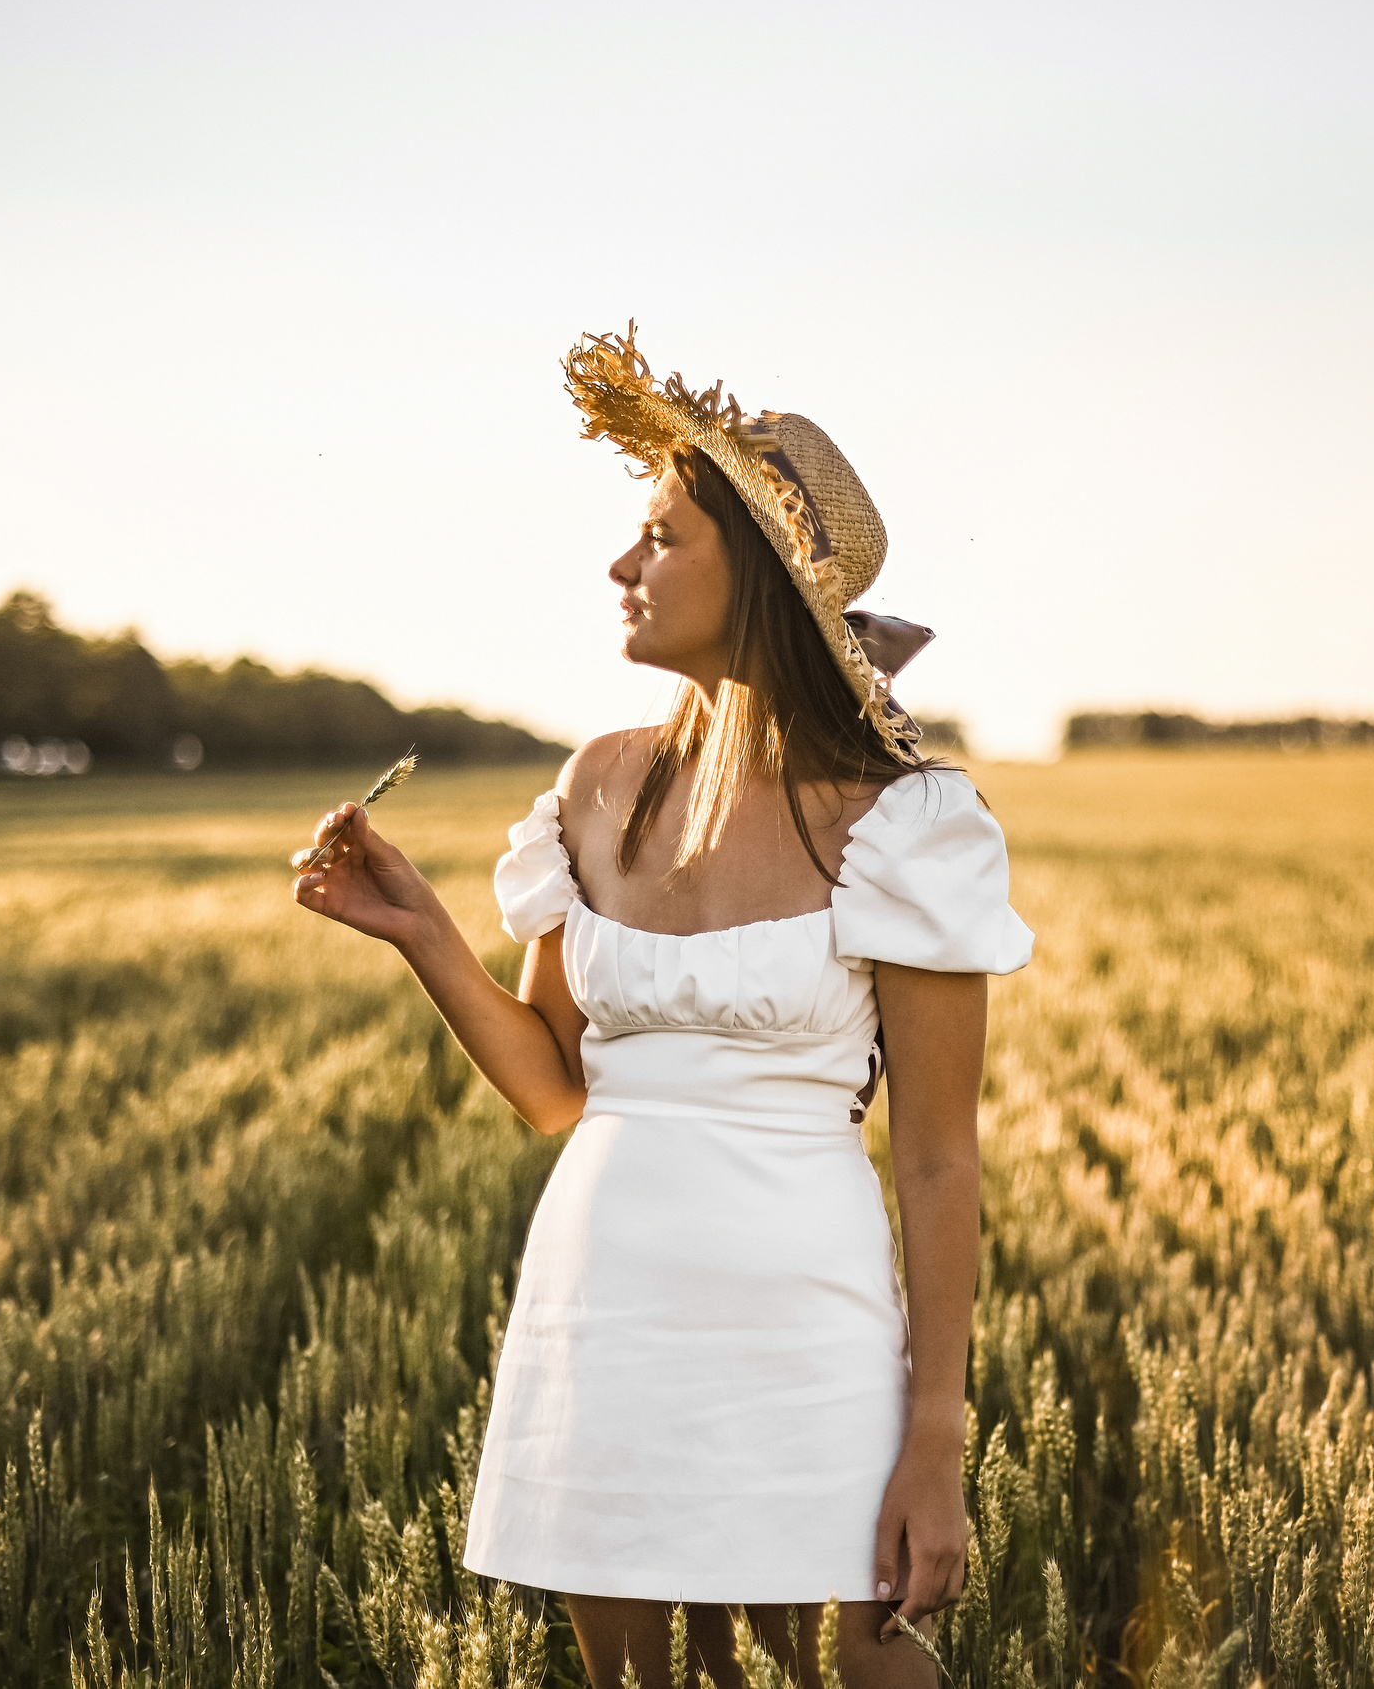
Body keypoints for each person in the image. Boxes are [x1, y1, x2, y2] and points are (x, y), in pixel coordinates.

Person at [290, 327, 1033, 1689]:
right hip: (604, 1306)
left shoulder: (908, 820)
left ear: (757, 581)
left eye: (661, 536)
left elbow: (935, 1152)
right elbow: (558, 1090)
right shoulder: (597, 784)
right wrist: (422, 934)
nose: (622, 565)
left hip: (806, 1321)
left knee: (862, 1670)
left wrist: (935, 1432)